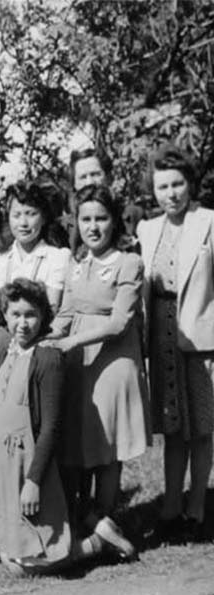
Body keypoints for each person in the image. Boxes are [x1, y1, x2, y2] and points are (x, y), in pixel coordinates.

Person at [0, 279, 113, 576]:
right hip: (5, 462)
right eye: (15, 314)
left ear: (43, 316)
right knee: (8, 555)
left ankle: (95, 543)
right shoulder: (7, 354)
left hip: (32, 464)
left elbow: (51, 425)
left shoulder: (48, 358)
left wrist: (33, 482)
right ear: (4, 315)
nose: (23, 323)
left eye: (31, 314)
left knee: (24, 567)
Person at [45, 185, 148, 557]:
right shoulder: (78, 263)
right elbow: (67, 314)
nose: (93, 227)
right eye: (86, 219)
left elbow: (120, 322)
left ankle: (106, 517)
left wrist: (72, 342)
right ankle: (86, 519)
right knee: (76, 442)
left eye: (101, 218)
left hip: (111, 361)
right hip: (78, 363)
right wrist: (43, 337)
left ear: (114, 221)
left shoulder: (128, 262)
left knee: (106, 446)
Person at [138, 144, 214, 543]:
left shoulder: (209, 222)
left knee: (201, 429)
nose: (171, 193)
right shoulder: (147, 229)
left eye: (178, 184)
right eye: (163, 186)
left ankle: (197, 508)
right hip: (162, 337)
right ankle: (170, 507)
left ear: (190, 184)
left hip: (201, 341)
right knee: (172, 428)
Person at [0, 181, 71, 360]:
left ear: (44, 217)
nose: (23, 223)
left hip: (40, 347)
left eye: (31, 214)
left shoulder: (57, 257)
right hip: (2, 348)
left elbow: (52, 312)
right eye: (16, 215)